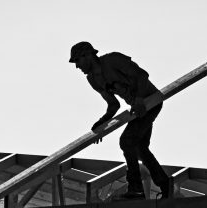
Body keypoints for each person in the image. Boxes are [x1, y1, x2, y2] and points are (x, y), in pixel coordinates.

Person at [69, 41, 171, 199]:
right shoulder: (93, 80)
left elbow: (142, 75)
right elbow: (113, 104)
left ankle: (136, 189)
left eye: (78, 61)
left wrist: (138, 99)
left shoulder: (113, 60)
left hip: (150, 101)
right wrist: (103, 121)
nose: (77, 66)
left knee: (127, 141)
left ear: (87, 55)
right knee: (140, 148)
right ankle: (165, 185)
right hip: (138, 110)